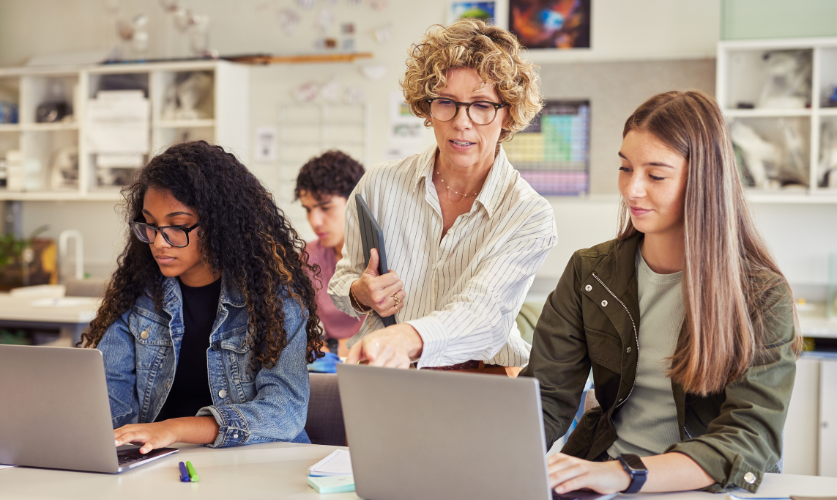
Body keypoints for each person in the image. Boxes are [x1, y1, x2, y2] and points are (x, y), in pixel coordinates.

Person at [522, 91, 801, 495]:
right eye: (625, 168)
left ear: (703, 181)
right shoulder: (590, 273)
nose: (632, 189)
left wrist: (625, 473)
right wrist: (495, 459)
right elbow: (545, 399)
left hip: (701, 488)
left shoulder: (761, 296)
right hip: (604, 481)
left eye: (655, 176)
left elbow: (749, 438)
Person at [328, 19, 557, 373]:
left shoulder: (529, 215)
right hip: (388, 373)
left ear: (508, 112)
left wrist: (406, 338)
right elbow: (343, 282)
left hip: (482, 376)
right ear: (427, 106)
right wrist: (361, 292)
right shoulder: (379, 185)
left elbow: (482, 315)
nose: (462, 121)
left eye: (482, 105)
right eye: (447, 102)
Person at [78, 140, 324, 453]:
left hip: (256, 463)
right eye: (150, 225)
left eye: (178, 226)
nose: (159, 242)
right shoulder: (138, 297)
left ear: (220, 225)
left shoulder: (273, 301)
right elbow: (109, 401)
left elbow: (284, 411)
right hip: (160, 462)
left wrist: (175, 428)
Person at [295, 150, 367, 356]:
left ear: (355, 203)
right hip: (329, 363)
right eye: (308, 209)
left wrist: (333, 348)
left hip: (379, 362)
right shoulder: (308, 258)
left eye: (325, 207)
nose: (315, 221)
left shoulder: (385, 253)